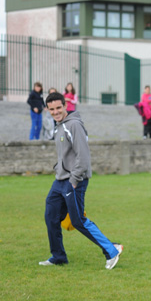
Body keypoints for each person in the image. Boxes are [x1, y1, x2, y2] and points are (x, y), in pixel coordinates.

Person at [39, 91, 123, 269]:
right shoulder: (58, 125)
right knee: (51, 216)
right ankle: (58, 256)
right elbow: (64, 154)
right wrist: (58, 168)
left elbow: (83, 157)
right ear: (47, 109)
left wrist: (74, 179)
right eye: (52, 109)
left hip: (74, 180)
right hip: (59, 180)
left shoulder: (74, 125)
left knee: (78, 221)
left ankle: (112, 251)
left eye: (58, 108)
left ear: (65, 106)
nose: (55, 112)